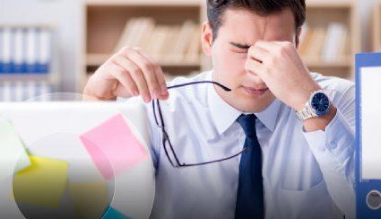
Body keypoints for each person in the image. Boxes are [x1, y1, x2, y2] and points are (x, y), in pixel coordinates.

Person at [83, 0, 355, 218]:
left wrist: (311, 102)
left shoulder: (339, 100)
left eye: (276, 52)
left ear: (297, 41)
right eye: (241, 49)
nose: (258, 74)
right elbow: (110, 199)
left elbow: (367, 207)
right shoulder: (159, 109)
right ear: (207, 38)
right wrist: (96, 103)